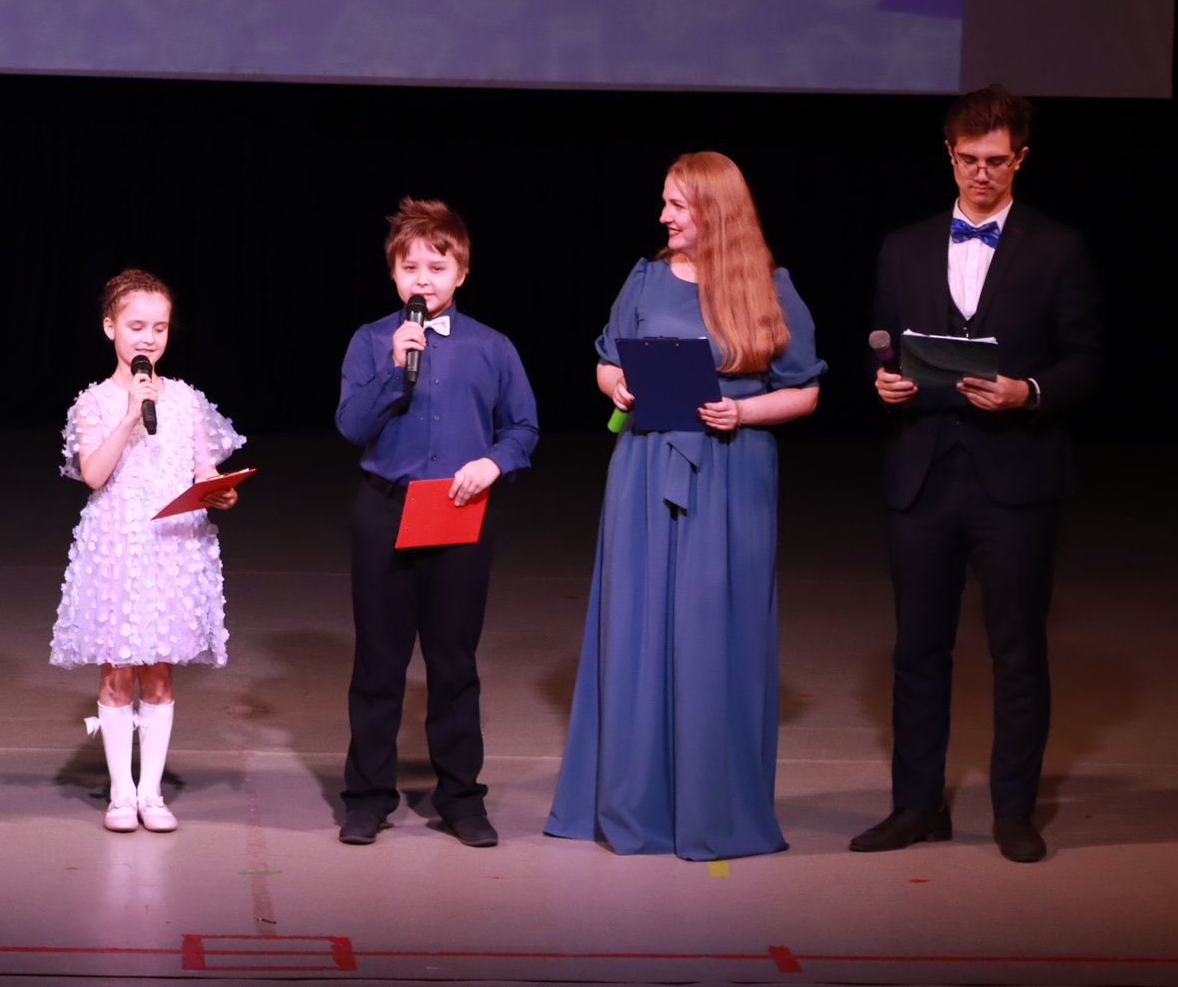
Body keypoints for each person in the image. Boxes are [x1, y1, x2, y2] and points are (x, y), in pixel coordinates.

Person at [546, 152, 823, 861]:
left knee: (715, 630)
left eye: (677, 204)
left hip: (731, 472)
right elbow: (606, 359)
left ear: (714, 211)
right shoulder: (644, 277)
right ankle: (634, 803)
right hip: (644, 465)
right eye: (665, 202)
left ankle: (712, 808)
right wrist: (616, 385)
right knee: (636, 626)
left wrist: (742, 411)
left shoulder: (770, 286)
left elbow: (805, 391)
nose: (663, 215)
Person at [851, 85, 1098, 864]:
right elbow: (882, 343)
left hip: (1015, 478)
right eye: (968, 159)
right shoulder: (903, 247)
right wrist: (883, 382)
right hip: (922, 473)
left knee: (1017, 651)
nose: (981, 173)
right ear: (948, 155)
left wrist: (1029, 391)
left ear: (1020, 158)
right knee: (917, 650)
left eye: (995, 160)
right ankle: (916, 806)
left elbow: (1087, 359)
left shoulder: (1057, 247)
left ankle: (1014, 812)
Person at [335, 199, 539, 848]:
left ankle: (460, 797)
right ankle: (368, 796)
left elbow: (523, 427)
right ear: (393, 274)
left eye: (437, 266)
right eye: (410, 267)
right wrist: (394, 367)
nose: (422, 279)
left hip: (457, 509)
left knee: (453, 661)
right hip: (386, 509)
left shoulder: (492, 347)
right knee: (379, 661)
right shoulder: (372, 341)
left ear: (462, 272)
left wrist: (493, 463)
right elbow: (351, 425)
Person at [50, 269, 244, 833]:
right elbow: (93, 474)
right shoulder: (94, 403)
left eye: (159, 327)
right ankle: (120, 793)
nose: (149, 338)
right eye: (137, 326)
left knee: (158, 671)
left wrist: (221, 490)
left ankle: (151, 793)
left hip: (172, 546)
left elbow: (203, 469)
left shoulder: (184, 400)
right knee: (117, 670)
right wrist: (132, 414)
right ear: (110, 327)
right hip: (117, 545)